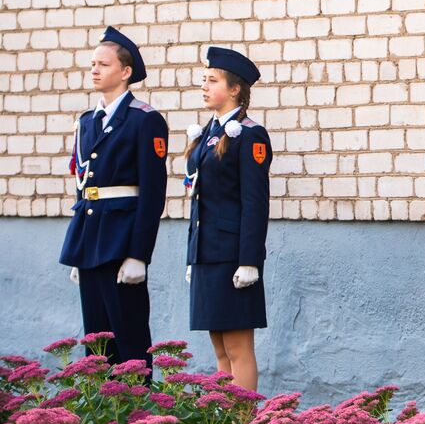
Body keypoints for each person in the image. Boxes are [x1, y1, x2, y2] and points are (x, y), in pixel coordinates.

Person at [58, 26, 169, 370]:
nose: (94, 70)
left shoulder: (143, 120)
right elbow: (84, 188)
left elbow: (152, 193)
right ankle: (104, 422)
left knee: (130, 338)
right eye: (92, 63)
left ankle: (139, 417)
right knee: (97, 343)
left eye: (103, 65)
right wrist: (80, 251)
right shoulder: (88, 121)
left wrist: (139, 254)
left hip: (122, 240)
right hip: (90, 238)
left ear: (125, 72)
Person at [184, 46, 272, 392]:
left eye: (212, 80)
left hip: (233, 256)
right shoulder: (207, 134)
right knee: (220, 348)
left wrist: (249, 261)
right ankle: (225, 421)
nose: (204, 86)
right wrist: (193, 255)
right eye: (203, 80)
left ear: (235, 89)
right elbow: (199, 199)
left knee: (238, 347)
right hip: (207, 253)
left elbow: (254, 203)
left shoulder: (249, 134)